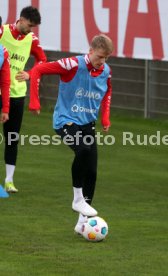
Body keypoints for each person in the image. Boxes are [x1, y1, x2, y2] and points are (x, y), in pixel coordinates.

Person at [29, 34, 113, 234]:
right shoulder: (71, 65)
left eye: (106, 58)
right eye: (100, 57)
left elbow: (107, 91)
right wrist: (34, 101)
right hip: (65, 121)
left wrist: (105, 117)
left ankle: (82, 221)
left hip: (87, 124)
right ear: (91, 51)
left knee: (91, 172)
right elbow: (38, 70)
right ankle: (77, 199)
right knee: (82, 150)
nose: (102, 62)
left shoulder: (106, 71)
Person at [0, 7, 47, 193]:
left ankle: (9, 181)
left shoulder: (32, 40)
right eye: (29, 26)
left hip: (17, 94)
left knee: (12, 137)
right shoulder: (2, 31)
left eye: (33, 27)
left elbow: (43, 61)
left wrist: (29, 74)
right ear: (20, 19)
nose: (30, 30)